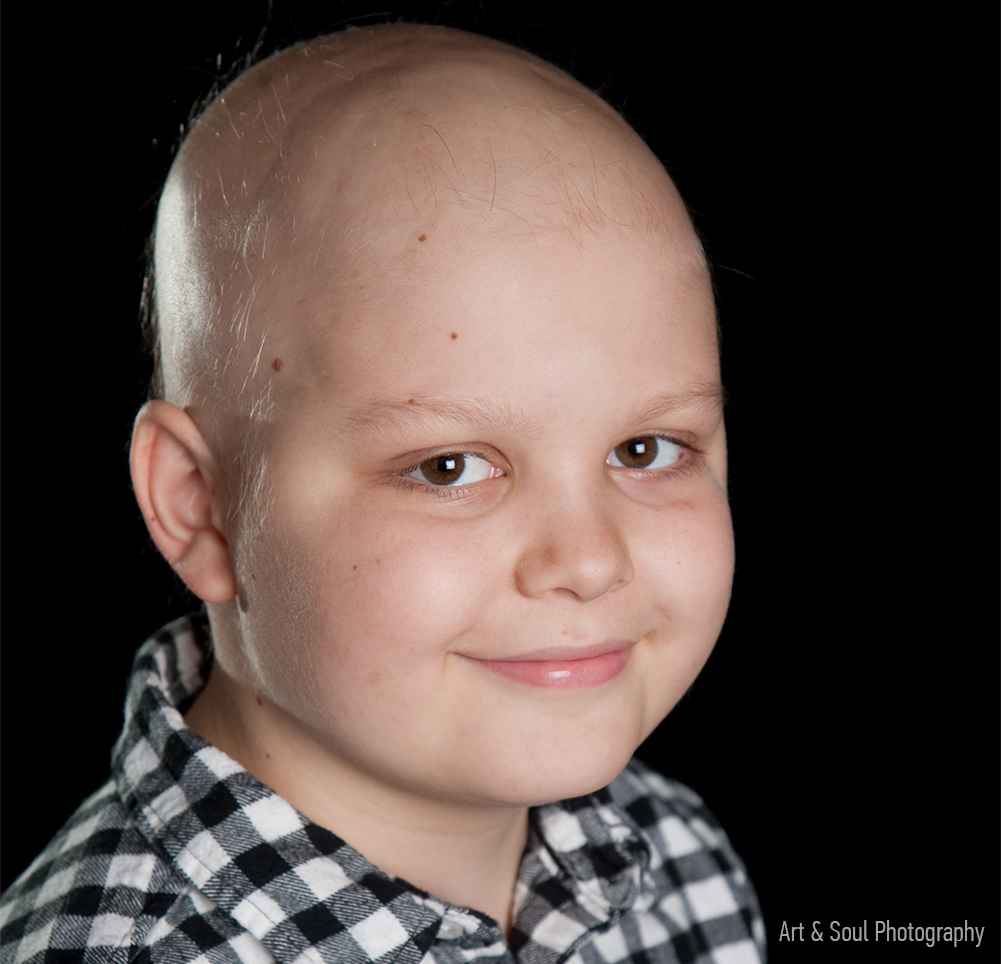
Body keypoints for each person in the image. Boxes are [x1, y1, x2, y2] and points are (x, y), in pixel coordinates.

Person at [1, 23, 765, 963]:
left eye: (646, 449)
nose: (589, 559)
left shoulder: (675, 858)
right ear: (200, 503)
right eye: (448, 467)